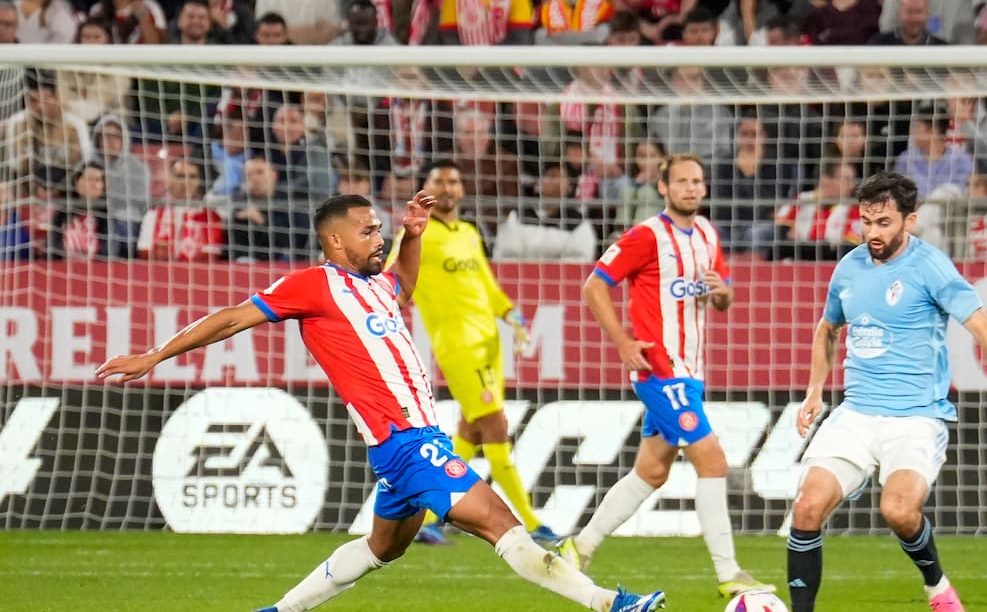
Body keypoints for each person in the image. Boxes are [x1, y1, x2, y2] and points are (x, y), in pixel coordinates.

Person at [96, 192, 667, 612]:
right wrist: (154, 355)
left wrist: (412, 236)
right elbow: (230, 319)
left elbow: (404, 285)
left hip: (414, 444)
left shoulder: (376, 287)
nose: (379, 237)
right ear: (336, 240)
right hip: (406, 444)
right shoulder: (312, 285)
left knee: (380, 549)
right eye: (369, 231)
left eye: (380, 229)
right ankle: (608, 604)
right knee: (501, 524)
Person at [786, 172, 987, 612]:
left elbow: (985, 330)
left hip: (916, 418)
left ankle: (937, 587)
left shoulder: (930, 266)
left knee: (898, 511)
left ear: (910, 221)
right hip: (856, 414)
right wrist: (815, 390)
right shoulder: (849, 267)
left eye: (884, 223)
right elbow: (827, 327)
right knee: (806, 508)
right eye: (867, 222)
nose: (873, 233)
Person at [557, 154, 774, 599]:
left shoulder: (709, 234)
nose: (691, 189)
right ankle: (730, 573)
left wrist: (723, 295)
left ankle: (578, 548)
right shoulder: (646, 236)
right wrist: (622, 342)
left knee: (652, 471)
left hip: (690, 371)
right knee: (711, 460)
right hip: (660, 371)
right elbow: (594, 285)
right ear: (664, 187)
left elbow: (722, 296)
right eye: (682, 182)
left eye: (697, 181)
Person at [408, 160, 564, 545]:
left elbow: (485, 284)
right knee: (495, 426)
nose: (448, 186)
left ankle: (431, 520)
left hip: (489, 342)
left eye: (454, 180)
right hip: (458, 346)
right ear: (424, 189)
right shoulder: (416, 237)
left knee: (471, 429)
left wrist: (510, 313)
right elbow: (397, 279)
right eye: (439, 180)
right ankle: (527, 521)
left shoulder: (467, 232)